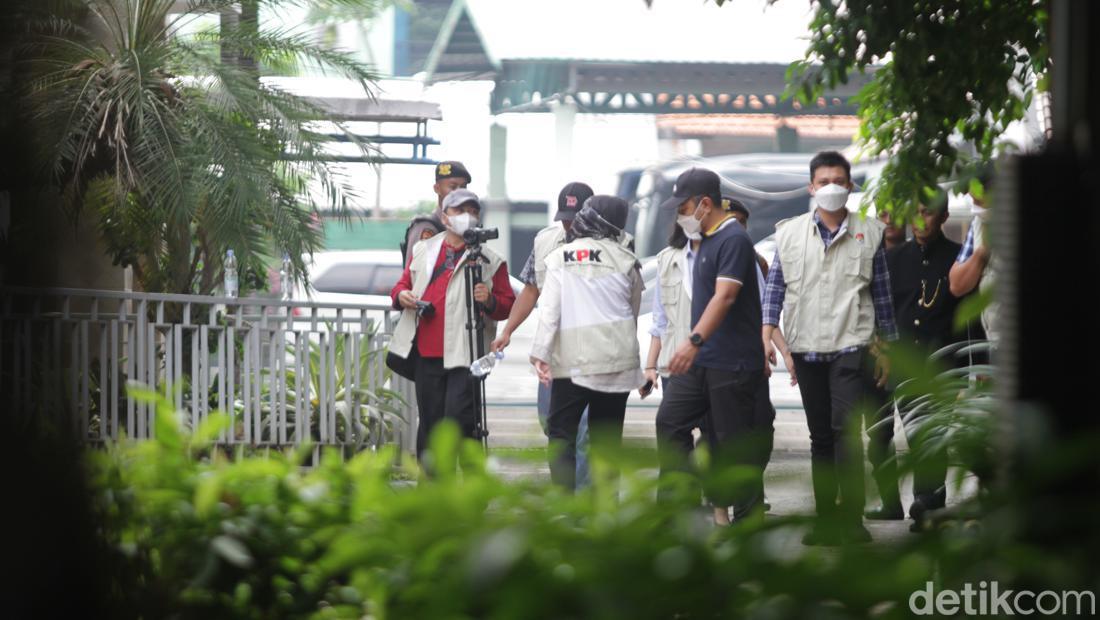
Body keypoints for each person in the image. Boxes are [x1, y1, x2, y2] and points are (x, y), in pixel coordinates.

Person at [762, 150, 899, 546]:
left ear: (850, 186)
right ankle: (825, 519)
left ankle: (852, 519)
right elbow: (774, 291)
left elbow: (883, 297)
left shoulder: (870, 232)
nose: (831, 188)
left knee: (847, 434)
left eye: (838, 181)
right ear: (811, 187)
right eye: (823, 182)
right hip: (805, 348)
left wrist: (887, 349)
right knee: (820, 437)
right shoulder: (788, 233)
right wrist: (767, 335)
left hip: (851, 346)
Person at [653, 168, 767, 526]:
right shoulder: (704, 241)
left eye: (683, 206)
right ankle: (683, 509)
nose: (680, 215)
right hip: (703, 362)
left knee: (733, 446)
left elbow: (726, 296)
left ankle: (748, 524)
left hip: (731, 363)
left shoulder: (733, 239)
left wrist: (693, 341)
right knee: (670, 423)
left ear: (705, 204)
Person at [389, 189, 515, 467]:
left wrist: (490, 300)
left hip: (466, 355)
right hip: (426, 352)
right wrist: (402, 296)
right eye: (459, 211)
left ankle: (469, 487)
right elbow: (400, 286)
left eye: (472, 211)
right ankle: (431, 488)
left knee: (460, 420)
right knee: (431, 422)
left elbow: (508, 304)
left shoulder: (490, 259)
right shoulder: (424, 249)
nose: (466, 217)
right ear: (445, 217)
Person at [530, 196, 644, 492]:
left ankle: (566, 509)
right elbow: (631, 313)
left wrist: (540, 354)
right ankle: (606, 511)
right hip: (618, 362)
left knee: (561, 434)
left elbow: (550, 312)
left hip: (574, 363)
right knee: (606, 440)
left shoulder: (560, 258)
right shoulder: (627, 260)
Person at [864, 200, 965, 530]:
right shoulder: (892, 259)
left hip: (938, 361)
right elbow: (877, 307)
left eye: (930, 212)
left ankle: (928, 504)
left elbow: (968, 320)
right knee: (878, 434)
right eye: (917, 213)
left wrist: (968, 370)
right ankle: (890, 501)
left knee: (928, 436)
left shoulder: (957, 256)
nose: (922, 221)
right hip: (894, 360)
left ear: (944, 217)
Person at [492, 182, 596, 487]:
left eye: (575, 218)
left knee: (585, 432)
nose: (569, 224)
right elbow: (531, 289)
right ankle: (566, 495)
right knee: (552, 424)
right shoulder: (546, 240)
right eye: (565, 217)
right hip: (553, 349)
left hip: (592, 350)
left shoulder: (608, 246)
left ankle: (581, 501)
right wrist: (508, 330)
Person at [948, 174, 1000, 347]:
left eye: (977, 200)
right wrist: (982, 252)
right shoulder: (979, 222)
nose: (973, 204)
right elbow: (957, 284)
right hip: (994, 339)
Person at [400, 161, 472, 268]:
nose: (459, 193)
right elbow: (415, 274)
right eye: (453, 187)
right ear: (437, 189)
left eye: (463, 187)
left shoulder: (464, 229)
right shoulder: (427, 228)